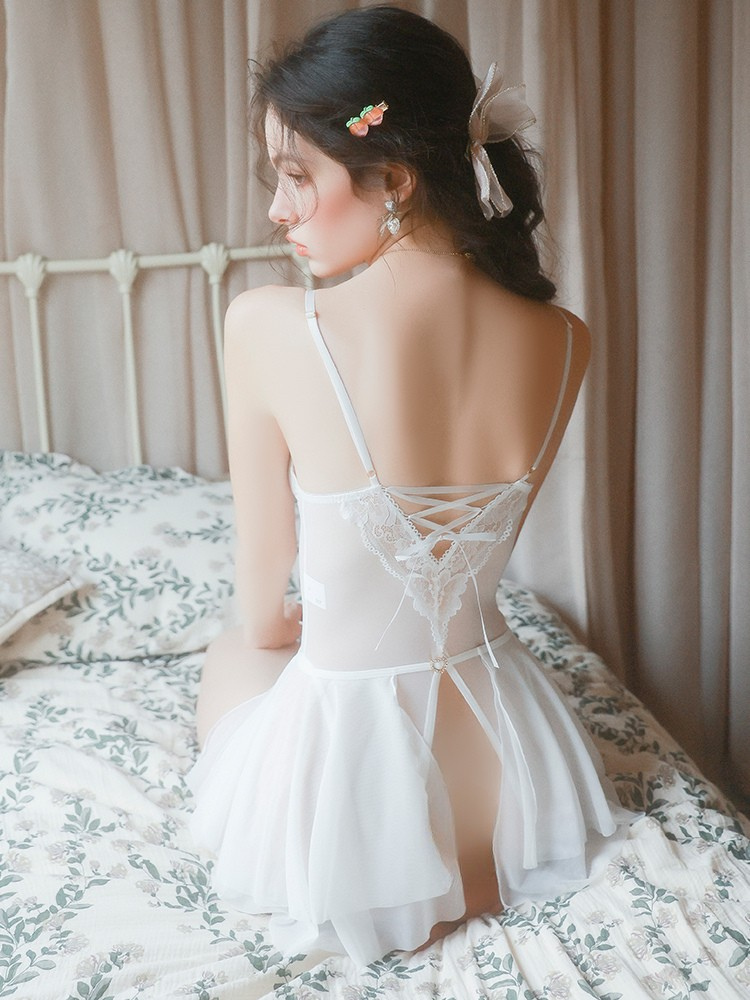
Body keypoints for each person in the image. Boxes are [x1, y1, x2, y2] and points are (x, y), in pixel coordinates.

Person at [187, 4, 634, 968]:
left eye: (296, 175)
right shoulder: (565, 339)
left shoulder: (268, 324)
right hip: (517, 785)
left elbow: (264, 608)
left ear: (392, 176)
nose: (276, 211)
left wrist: (283, 631)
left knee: (232, 655)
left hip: (352, 812)